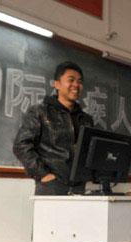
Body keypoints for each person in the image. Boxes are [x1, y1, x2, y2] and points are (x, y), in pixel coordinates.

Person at [13, 61, 93, 195]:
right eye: (71, 80)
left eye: (79, 81)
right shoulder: (39, 112)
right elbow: (21, 145)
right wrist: (43, 174)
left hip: (79, 187)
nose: (76, 85)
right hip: (51, 186)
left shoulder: (86, 119)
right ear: (57, 84)